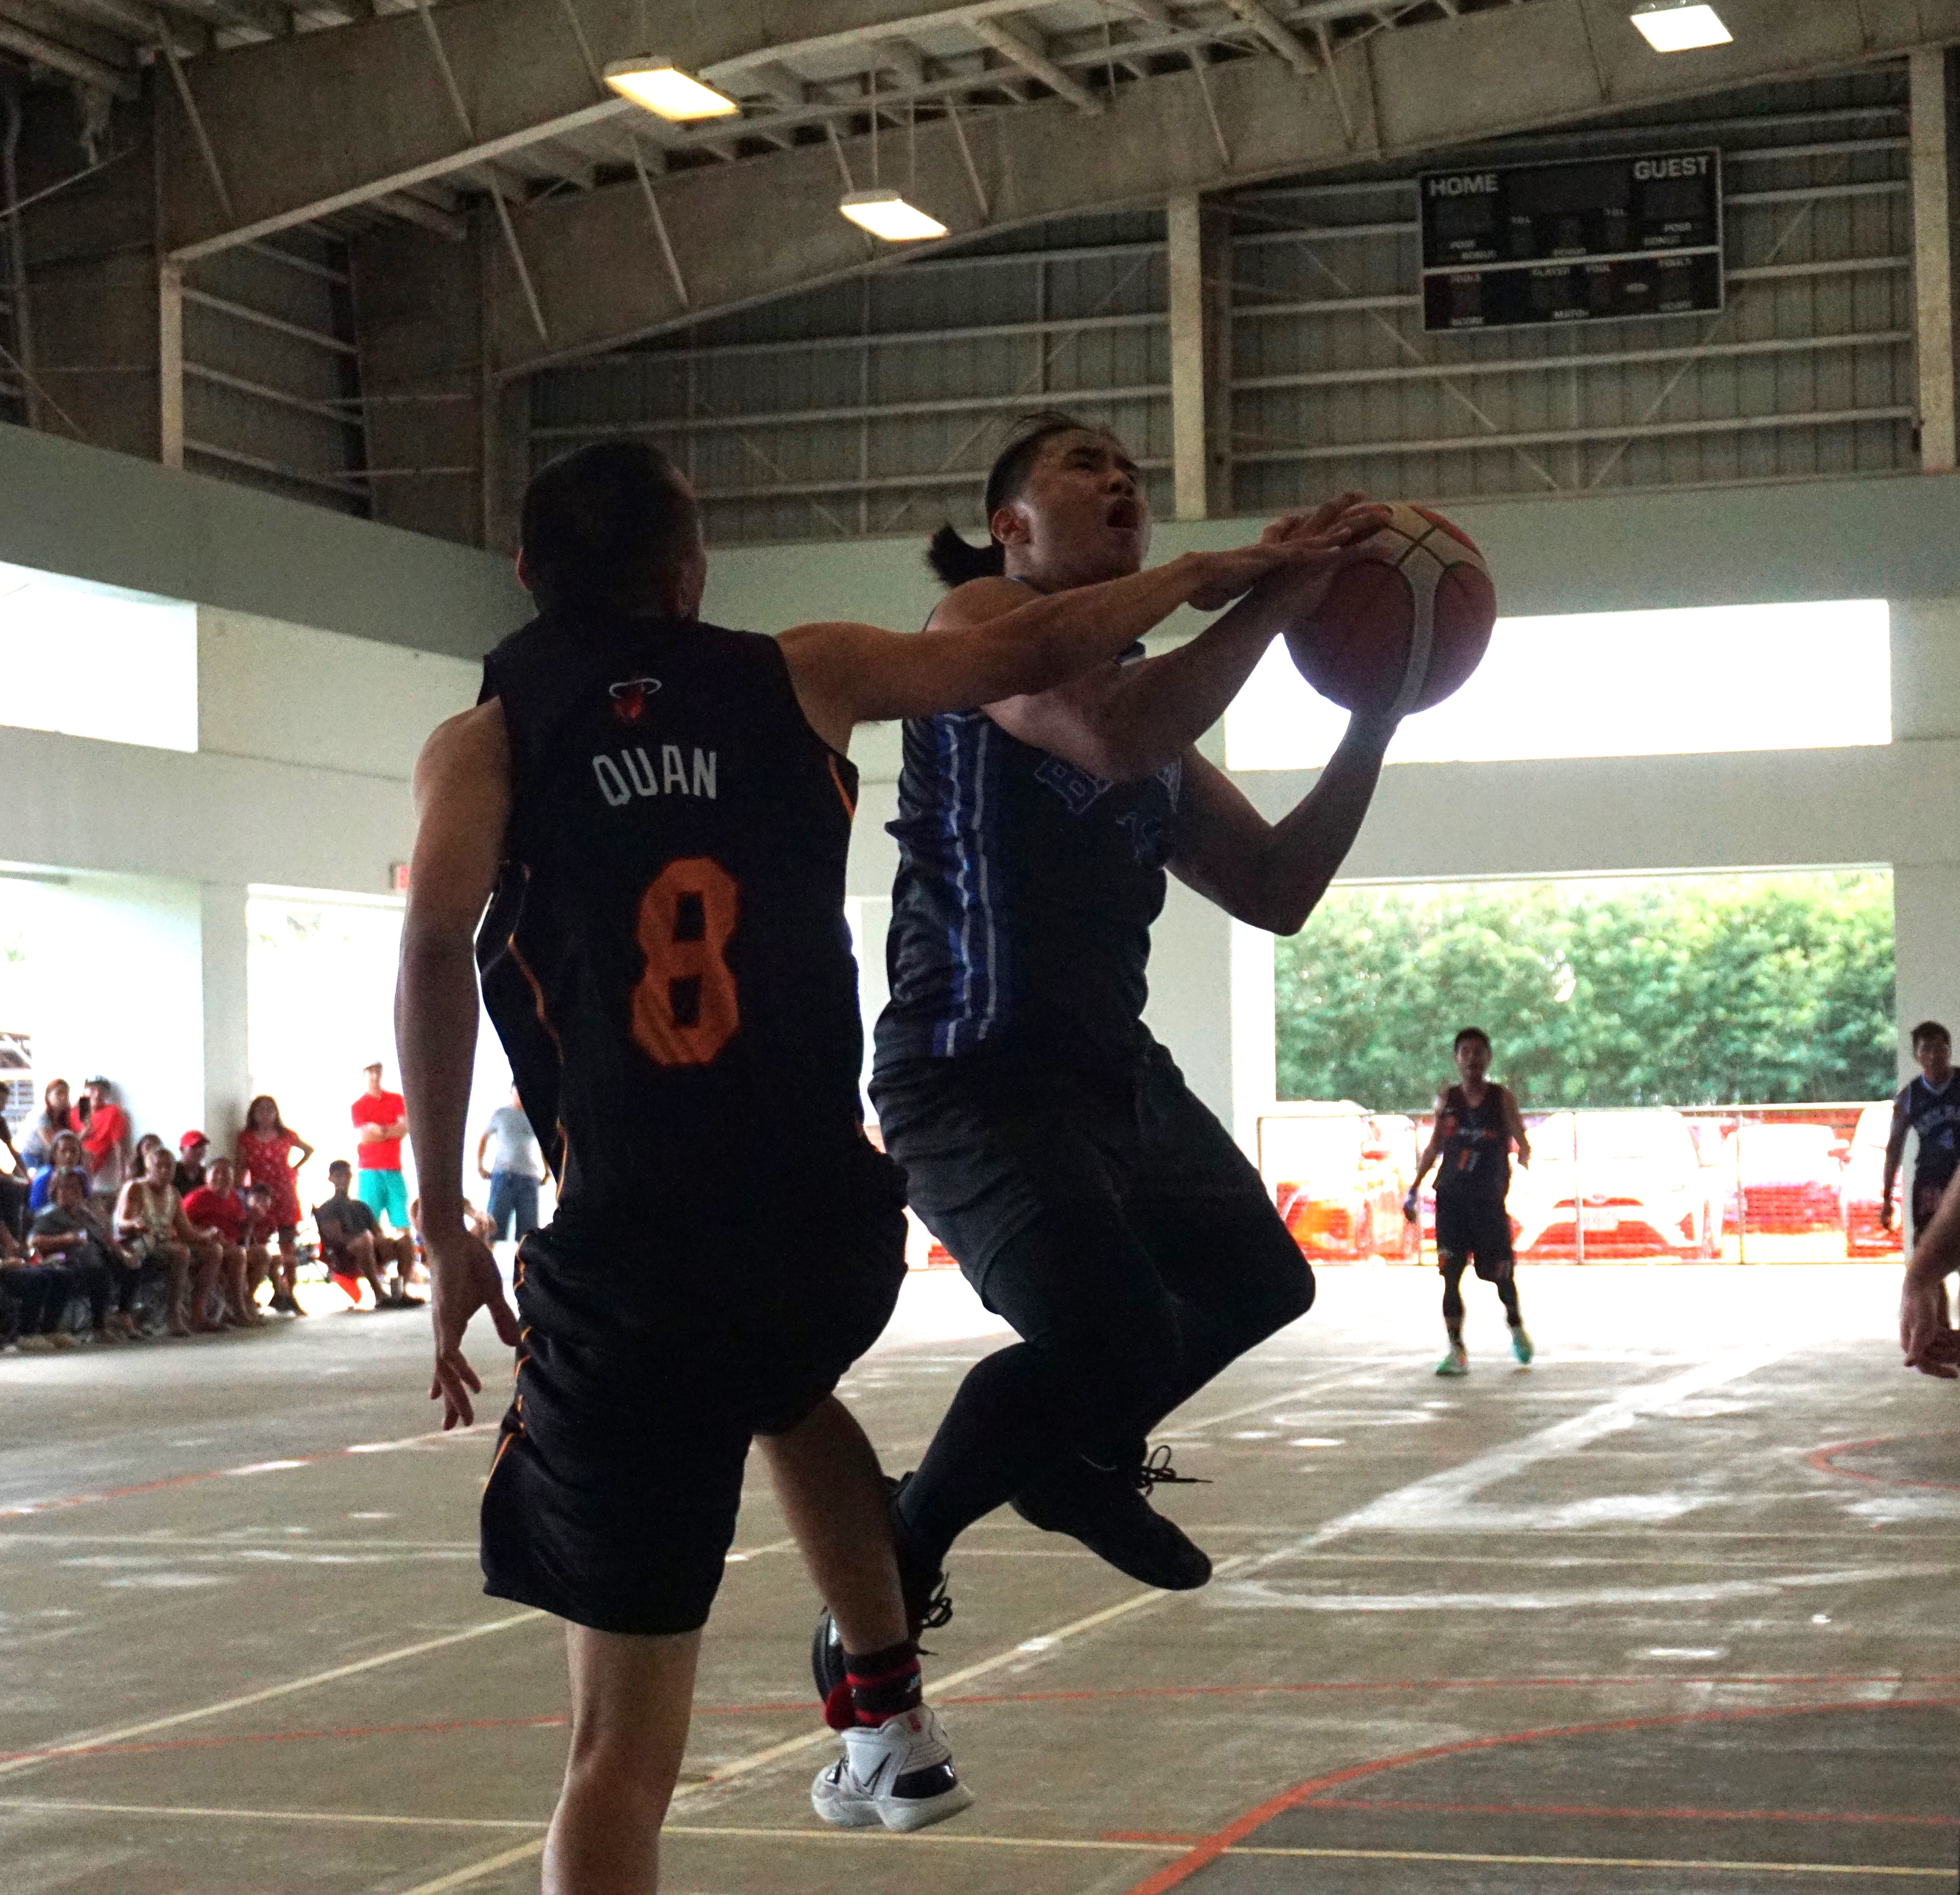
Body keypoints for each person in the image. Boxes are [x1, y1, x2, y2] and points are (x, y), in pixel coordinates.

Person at [393, 438, 1354, 1886]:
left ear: (526, 572)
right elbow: (1036, 649)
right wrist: (1232, 574)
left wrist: (442, 1217)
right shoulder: (807, 668)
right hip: (823, 1224)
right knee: (784, 1385)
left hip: (635, 1249)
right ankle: (888, 1715)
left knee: (616, 1755)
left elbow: (432, 945)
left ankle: (938, 1618)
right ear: (692, 566)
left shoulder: (487, 740)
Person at [829, 414, 1392, 1695]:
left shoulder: (1146, 699)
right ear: (1011, 528)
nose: (1119, 479)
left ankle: (1073, 1459)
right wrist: (1268, 588)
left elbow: (1275, 883)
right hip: (970, 1072)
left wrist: (1377, 709)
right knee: (1109, 1332)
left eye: (1130, 470)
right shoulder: (974, 628)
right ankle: (900, 1546)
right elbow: (1107, 733)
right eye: (1082, 466)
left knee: (1257, 1281)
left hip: (1107, 1073)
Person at [1407, 1027, 1534, 1376]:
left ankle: (1516, 1326)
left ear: (1488, 1058)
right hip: (1451, 1199)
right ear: (1456, 1058)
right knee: (1450, 1275)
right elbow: (1434, 1146)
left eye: (1478, 1052)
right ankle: (1456, 1348)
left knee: (1499, 1275)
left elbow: (1520, 1137)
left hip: (1488, 1201)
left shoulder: (1500, 1098)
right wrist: (1414, 1186)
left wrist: (1523, 1154)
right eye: (1465, 1052)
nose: (1472, 1059)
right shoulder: (1446, 1100)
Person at [29, 1168, 138, 1344]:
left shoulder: (84, 1214)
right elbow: (34, 1242)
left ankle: (122, 1315)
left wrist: (123, 1254)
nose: (69, 1192)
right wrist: (65, 1239)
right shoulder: (49, 1214)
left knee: (131, 1265)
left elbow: (104, 1237)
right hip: (67, 1260)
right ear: (55, 1191)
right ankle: (98, 1327)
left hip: (94, 1257)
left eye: (74, 1188)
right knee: (98, 1273)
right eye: (63, 1188)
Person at [116, 1142, 211, 1337]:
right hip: (138, 1243)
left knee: (214, 1251)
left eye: (169, 1167)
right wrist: (135, 1224)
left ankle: (199, 1312)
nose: (165, 1171)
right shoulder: (135, 1188)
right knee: (181, 1253)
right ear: (149, 1168)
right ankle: (173, 1313)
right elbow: (121, 1224)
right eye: (159, 1166)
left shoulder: (174, 1194)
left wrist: (207, 1236)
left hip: (164, 1243)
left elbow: (186, 1231)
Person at [1881, 1021, 1960, 1248]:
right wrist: (1888, 1198)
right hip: (1931, 1179)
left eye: (1940, 1048)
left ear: (1949, 1051)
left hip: (1959, 1175)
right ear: (1917, 1056)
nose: (1934, 1055)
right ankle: (1935, 1285)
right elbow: (1894, 1147)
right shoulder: (1909, 1097)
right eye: (1927, 1049)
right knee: (1928, 1248)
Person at [237, 1095, 314, 1314]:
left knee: (288, 1245)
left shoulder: (286, 1135)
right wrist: (238, 1194)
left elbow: (309, 1150)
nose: (266, 1114)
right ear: (253, 1113)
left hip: (285, 1194)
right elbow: (241, 1167)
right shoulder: (246, 1138)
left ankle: (289, 1293)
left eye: (270, 1109)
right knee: (257, 1242)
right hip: (260, 1196)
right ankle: (264, 1291)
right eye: (260, 1109)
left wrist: (293, 1168)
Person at [313, 1159, 419, 1308]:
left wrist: (382, 1241)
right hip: (343, 1259)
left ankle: (401, 1292)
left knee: (405, 1241)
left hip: (371, 1252)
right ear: (331, 1179)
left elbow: (378, 1232)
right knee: (364, 1240)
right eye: (339, 1175)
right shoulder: (327, 1208)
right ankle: (379, 1294)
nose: (343, 1179)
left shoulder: (361, 1207)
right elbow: (336, 1240)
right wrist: (367, 1239)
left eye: (347, 1175)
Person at [184, 1157, 267, 1327]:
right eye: (217, 1173)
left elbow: (241, 1228)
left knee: (262, 1254)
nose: (221, 1177)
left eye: (226, 1174)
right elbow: (181, 1226)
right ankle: (238, 1310)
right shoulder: (197, 1198)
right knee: (237, 1254)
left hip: (231, 1245)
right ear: (207, 1177)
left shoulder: (234, 1198)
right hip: (205, 1245)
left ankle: (245, 1300)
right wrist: (205, 1234)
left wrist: (252, 1220)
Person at [477, 1087, 545, 1243]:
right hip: (504, 1177)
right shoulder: (501, 1114)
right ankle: (486, 1266)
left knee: (529, 1236)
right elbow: (484, 1139)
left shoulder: (535, 1116)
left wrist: (547, 1171)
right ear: (511, 1092)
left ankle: (523, 1268)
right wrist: (480, 1166)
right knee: (492, 1230)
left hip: (530, 1179)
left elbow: (544, 1146)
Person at [3, 1212, 77, 1351]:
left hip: (11, 1264)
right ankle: (26, 1335)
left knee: (62, 1275)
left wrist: (26, 1255)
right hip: (3, 1268)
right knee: (37, 1279)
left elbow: (13, 1246)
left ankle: (49, 1331)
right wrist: (5, 1263)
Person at [351, 1063, 410, 1231]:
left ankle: (406, 1255)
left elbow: (404, 1129)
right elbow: (364, 1137)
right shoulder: (358, 1106)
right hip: (369, 1171)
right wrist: (390, 1130)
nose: (375, 1075)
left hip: (393, 1168)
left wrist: (380, 1130)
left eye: (377, 1071)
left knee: (403, 1221)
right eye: (370, 1071)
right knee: (368, 1223)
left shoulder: (396, 1100)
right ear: (364, 1073)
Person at [76, 1076, 130, 1207]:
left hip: (87, 1166)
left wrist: (122, 1176)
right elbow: (66, 1141)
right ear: (85, 1092)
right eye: (93, 1089)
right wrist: (83, 1133)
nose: (98, 1094)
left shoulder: (112, 1112)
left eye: (102, 1091)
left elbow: (118, 1146)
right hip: (72, 1158)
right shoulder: (76, 1111)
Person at [19, 1077, 77, 1170]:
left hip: (48, 1160)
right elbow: (51, 1144)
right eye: (59, 1093)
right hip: (32, 1161)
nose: (64, 1097)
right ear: (48, 1096)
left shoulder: (64, 1119)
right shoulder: (41, 1116)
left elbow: (69, 1141)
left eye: (66, 1094)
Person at [28, 1130, 87, 1215]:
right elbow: (37, 1212)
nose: (69, 1156)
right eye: (63, 1151)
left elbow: (86, 1201)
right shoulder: (44, 1177)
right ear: (54, 1154)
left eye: (73, 1151)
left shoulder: (81, 1175)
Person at [174, 1130, 210, 1197]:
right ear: (182, 1150)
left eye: (202, 1147)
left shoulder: (205, 1174)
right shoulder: (172, 1172)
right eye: (194, 1147)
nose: (199, 1151)